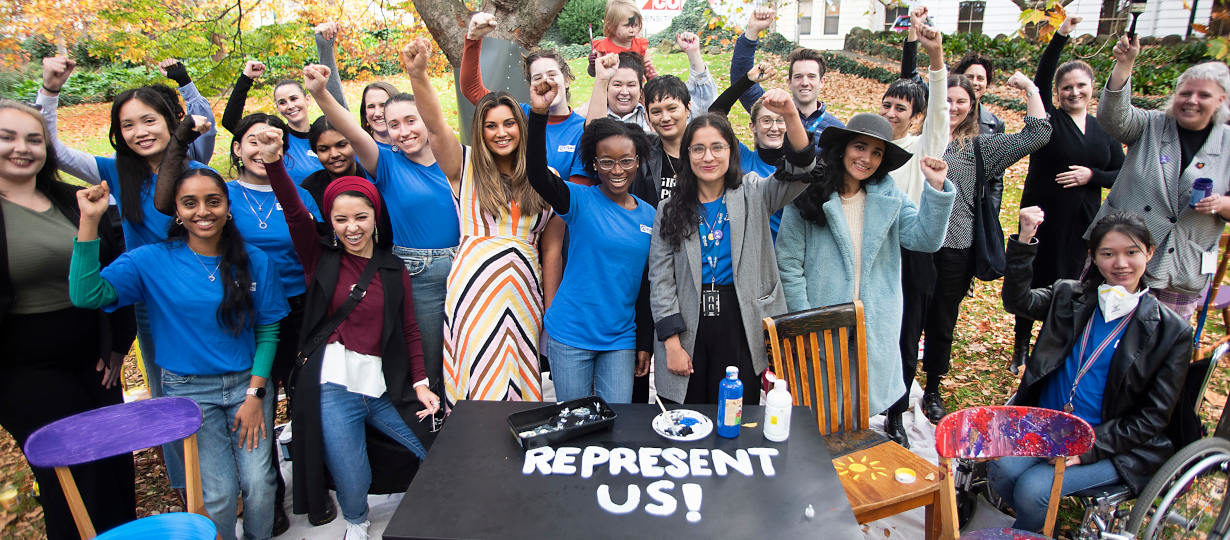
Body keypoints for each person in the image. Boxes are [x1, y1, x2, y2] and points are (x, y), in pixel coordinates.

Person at [70, 172, 287, 540]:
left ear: (227, 208)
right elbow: (86, 294)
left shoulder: (255, 261)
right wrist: (89, 221)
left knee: (261, 483)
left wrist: (255, 394)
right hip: (189, 390)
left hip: (247, 386)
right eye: (190, 203)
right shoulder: (150, 261)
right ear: (177, 211)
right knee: (219, 494)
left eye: (213, 201)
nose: (203, 211)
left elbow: (268, 331)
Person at [36, 55, 213, 497]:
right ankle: (188, 488)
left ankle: (229, 479)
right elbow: (53, 150)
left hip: (207, 294)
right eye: (128, 125)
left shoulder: (197, 172)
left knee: (221, 384)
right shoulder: (115, 172)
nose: (140, 132)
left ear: (170, 121)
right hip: (153, 305)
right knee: (169, 395)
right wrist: (50, 91)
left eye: (149, 120)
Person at [257, 127, 439, 540]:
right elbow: (293, 212)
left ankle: (436, 505)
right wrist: (273, 162)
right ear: (330, 222)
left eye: (360, 217)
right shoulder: (319, 258)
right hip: (333, 387)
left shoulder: (392, 268)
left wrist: (420, 382)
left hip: (384, 384)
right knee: (351, 473)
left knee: (433, 443)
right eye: (340, 219)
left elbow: (409, 328)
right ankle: (356, 523)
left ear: (375, 217)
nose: (351, 227)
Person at [991, 208, 1191, 533]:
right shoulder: (1070, 296)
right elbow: (1019, 302)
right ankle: (1037, 526)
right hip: (1049, 425)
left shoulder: (1170, 332)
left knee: (1032, 490)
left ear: (1150, 253)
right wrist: (1024, 240)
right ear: (1094, 257)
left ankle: (1030, 528)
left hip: (1110, 443)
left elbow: (1152, 418)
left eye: (1131, 252)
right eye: (1108, 254)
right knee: (1002, 471)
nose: (1121, 263)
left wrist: (1090, 447)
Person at [0, 99, 137, 540]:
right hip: (25, 368)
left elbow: (114, 269)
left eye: (33, 139)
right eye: (7, 137)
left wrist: (117, 345)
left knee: (115, 465)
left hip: (94, 356)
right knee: (72, 475)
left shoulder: (69, 199)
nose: (22, 148)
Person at [777, 113, 955, 423]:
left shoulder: (888, 195)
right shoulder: (808, 192)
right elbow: (789, 264)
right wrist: (805, 321)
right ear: (843, 148)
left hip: (872, 322)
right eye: (860, 147)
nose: (866, 159)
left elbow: (925, 239)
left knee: (858, 410)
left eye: (877, 153)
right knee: (818, 409)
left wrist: (936, 188)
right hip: (823, 320)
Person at [403, 38, 553, 407]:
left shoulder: (544, 177)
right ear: (480, 131)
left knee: (521, 378)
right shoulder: (464, 165)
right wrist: (418, 75)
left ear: (521, 127)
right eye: (491, 126)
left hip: (524, 289)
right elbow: (435, 128)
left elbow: (552, 249)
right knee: (481, 378)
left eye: (509, 124)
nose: (501, 132)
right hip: (475, 289)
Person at [303, 63, 459, 412]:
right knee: (429, 363)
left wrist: (419, 75)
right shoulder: (385, 163)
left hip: (464, 265)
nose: (403, 131)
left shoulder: (455, 158)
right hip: (420, 275)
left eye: (411, 120)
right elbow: (349, 128)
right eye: (393, 125)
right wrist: (320, 93)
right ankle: (435, 429)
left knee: (465, 355)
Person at [648, 91, 816, 405]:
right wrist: (671, 344)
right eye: (698, 149)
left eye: (717, 147)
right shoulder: (669, 208)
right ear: (687, 155)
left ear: (731, 151)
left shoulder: (754, 192)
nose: (708, 157)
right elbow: (660, 279)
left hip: (741, 317)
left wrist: (791, 115)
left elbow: (801, 172)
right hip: (688, 318)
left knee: (736, 410)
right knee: (687, 413)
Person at [920, 71, 1052, 424]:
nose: (952, 107)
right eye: (946, 100)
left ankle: (932, 386)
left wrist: (1031, 89)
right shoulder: (918, 139)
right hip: (913, 242)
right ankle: (900, 380)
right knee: (908, 314)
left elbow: (1038, 134)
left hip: (954, 244)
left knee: (942, 318)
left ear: (973, 106)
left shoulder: (979, 147)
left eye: (961, 101)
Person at [526, 77, 655, 403]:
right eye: (606, 161)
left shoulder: (650, 216)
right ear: (594, 164)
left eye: (626, 160)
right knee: (575, 422)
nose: (617, 170)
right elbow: (537, 174)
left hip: (619, 339)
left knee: (617, 420)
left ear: (637, 161)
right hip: (570, 334)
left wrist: (644, 341)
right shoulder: (579, 200)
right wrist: (539, 115)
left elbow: (646, 284)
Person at [1088, 35, 1230, 320]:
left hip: (1180, 266)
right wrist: (1124, 65)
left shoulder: (1227, 144)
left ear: (1220, 100)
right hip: (1120, 258)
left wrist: (1222, 205)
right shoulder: (1152, 125)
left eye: (1203, 95)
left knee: (1160, 340)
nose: (1192, 101)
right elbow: (1113, 118)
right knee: (1098, 331)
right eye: (1185, 93)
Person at [1013, 15, 1125, 374]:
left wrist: (1092, 176)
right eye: (1066, 88)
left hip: (1083, 221)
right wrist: (1061, 33)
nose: (1074, 92)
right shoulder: (1049, 119)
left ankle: (1054, 343)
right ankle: (1020, 345)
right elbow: (1042, 76)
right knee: (1036, 277)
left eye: (1080, 86)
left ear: (1092, 87)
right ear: (1057, 92)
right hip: (1045, 216)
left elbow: (1120, 172)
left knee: (1071, 281)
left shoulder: (1103, 130)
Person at [882, 8, 951, 447]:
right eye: (887, 105)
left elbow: (941, 112)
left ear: (916, 116)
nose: (891, 112)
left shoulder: (922, 147)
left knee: (907, 336)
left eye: (901, 108)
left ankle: (896, 414)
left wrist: (936, 58)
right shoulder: (870, 147)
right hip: (874, 249)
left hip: (912, 253)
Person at [462, 13, 588, 182]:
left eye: (552, 75)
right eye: (537, 77)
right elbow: (472, 90)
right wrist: (473, 39)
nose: (545, 82)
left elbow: (578, 190)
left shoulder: (581, 129)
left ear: (566, 80)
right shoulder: (519, 115)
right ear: (530, 86)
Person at [221, 22, 348, 183]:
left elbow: (341, 114)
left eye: (294, 98)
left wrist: (325, 47)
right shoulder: (279, 139)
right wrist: (246, 78)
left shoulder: (324, 133)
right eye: (282, 102)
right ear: (277, 107)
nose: (290, 106)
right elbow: (231, 122)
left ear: (307, 99)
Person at [733, 6, 845, 138]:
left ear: (822, 82)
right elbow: (742, 85)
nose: (805, 82)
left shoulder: (836, 130)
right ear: (789, 82)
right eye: (798, 77)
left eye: (811, 76)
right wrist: (752, 31)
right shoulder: (771, 110)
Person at [587, 0, 656, 79]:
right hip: (610, 86)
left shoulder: (640, 46)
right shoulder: (602, 47)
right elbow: (595, 73)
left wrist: (657, 84)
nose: (632, 30)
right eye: (627, 26)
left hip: (634, 86)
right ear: (611, 26)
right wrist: (593, 65)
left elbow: (649, 72)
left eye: (636, 25)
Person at [359, 81, 400, 149]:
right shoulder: (362, 150)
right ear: (365, 112)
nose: (377, 113)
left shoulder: (415, 144)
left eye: (383, 105)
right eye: (371, 106)